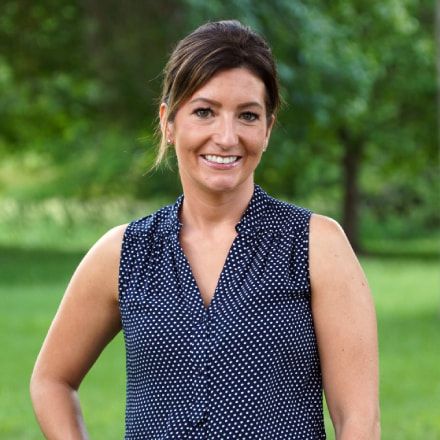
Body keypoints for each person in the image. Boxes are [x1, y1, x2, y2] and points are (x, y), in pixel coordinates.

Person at [30, 20, 380, 439]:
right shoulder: (124, 252)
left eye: (247, 115)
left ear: (267, 128)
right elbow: (51, 380)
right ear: (168, 122)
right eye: (204, 111)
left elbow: (358, 418)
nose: (227, 136)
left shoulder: (316, 246)